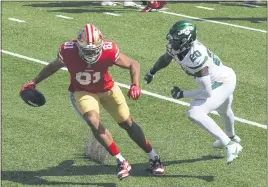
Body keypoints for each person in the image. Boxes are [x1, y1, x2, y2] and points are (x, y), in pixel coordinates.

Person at [21, 23, 164, 179]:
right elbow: (52, 67)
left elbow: (133, 64)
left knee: (127, 123)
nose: (91, 54)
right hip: (83, 91)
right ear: (78, 45)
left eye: (94, 50)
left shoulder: (109, 50)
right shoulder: (67, 50)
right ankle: (121, 161)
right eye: (86, 50)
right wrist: (34, 81)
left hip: (108, 89)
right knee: (92, 121)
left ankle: (154, 157)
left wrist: (135, 84)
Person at [144, 20, 242, 164]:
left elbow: (206, 92)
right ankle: (231, 137)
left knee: (195, 113)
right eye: (171, 39)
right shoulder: (181, 49)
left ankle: (230, 145)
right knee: (224, 110)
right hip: (222, 76)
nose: (172, 44)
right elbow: (166, 58)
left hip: (222, 83)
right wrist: (152, 71)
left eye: (176, 41)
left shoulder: (195, 58)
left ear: (186, 41)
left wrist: (183, 94)